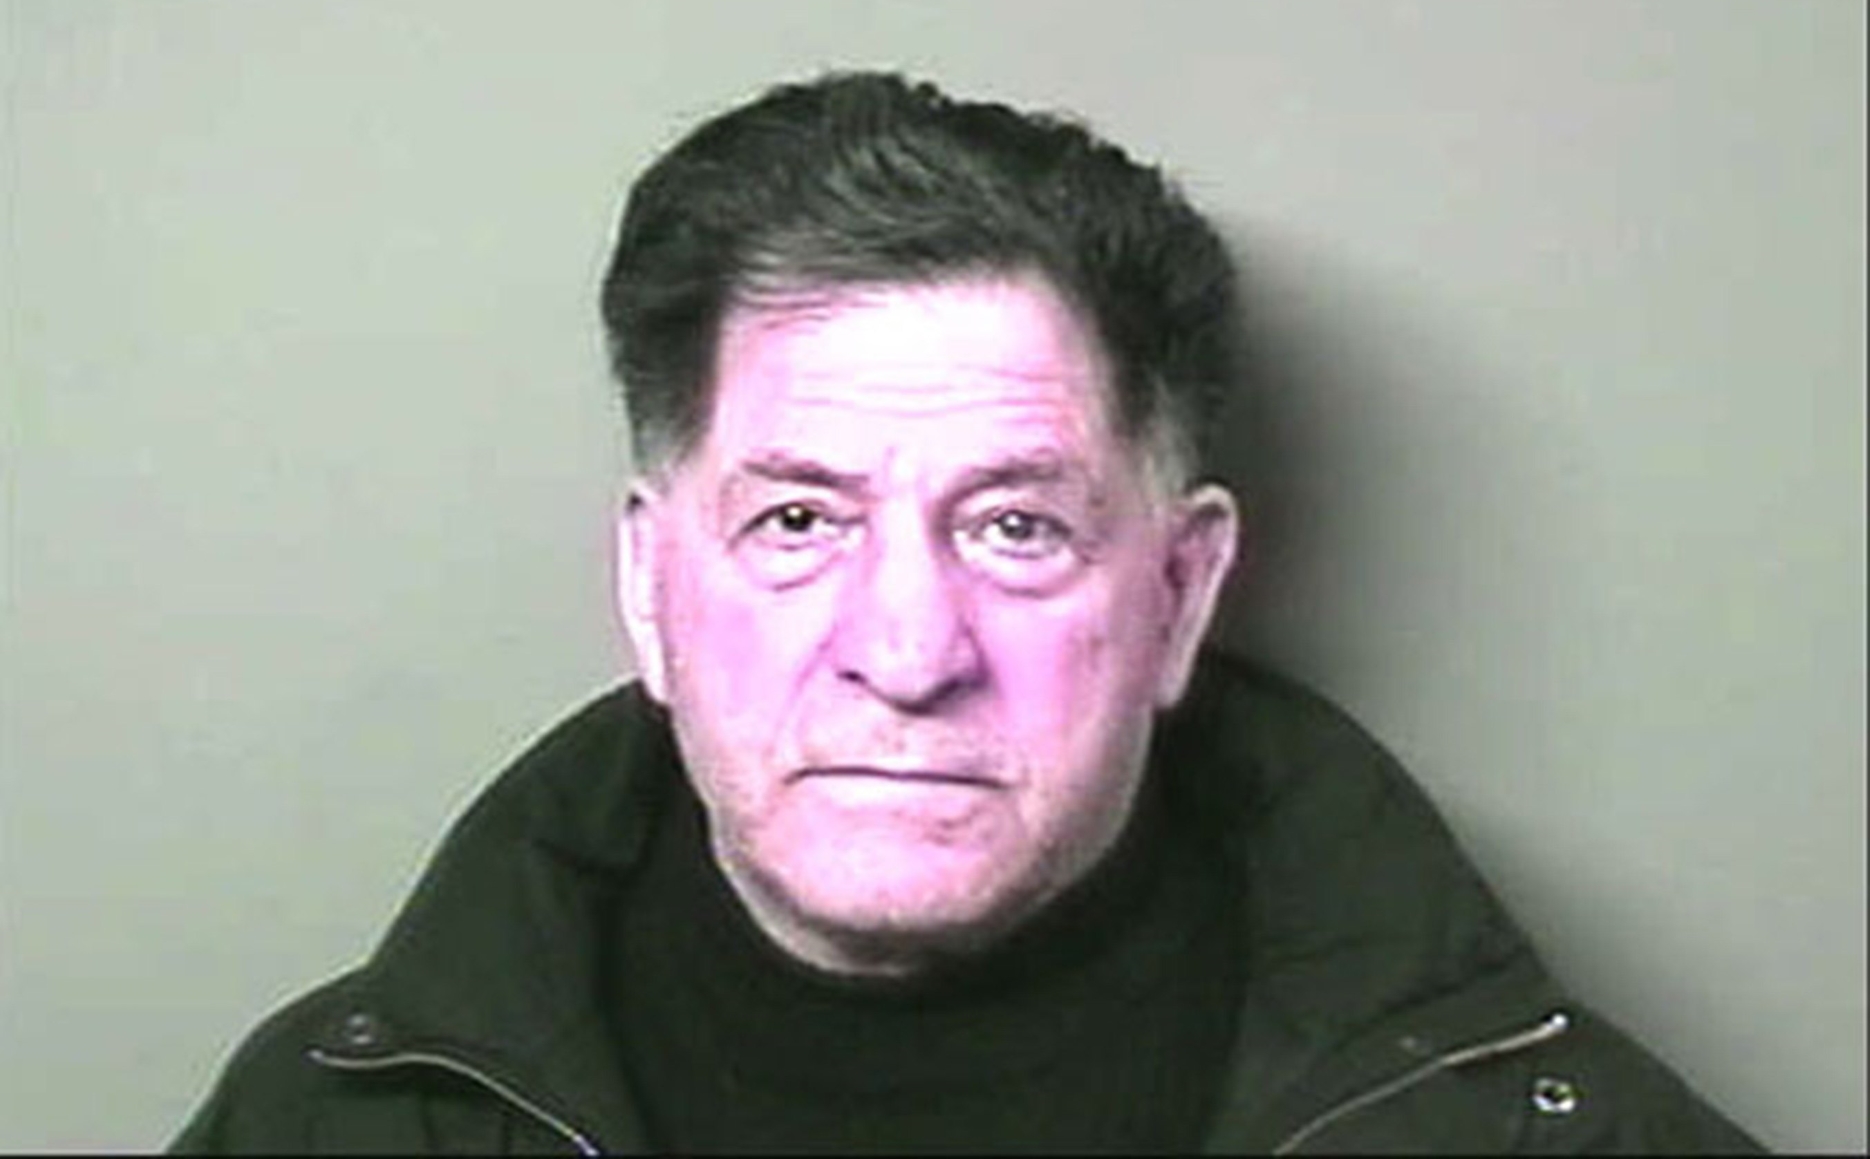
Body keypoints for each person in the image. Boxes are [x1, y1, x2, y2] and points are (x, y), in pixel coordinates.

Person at [172, 71, 1762, 1154]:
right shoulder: (331, 1128)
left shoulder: (1541, 1135)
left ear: (1178, 593)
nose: (907, 654)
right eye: (799, 522)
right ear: (650, 586)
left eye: (1014, 528)